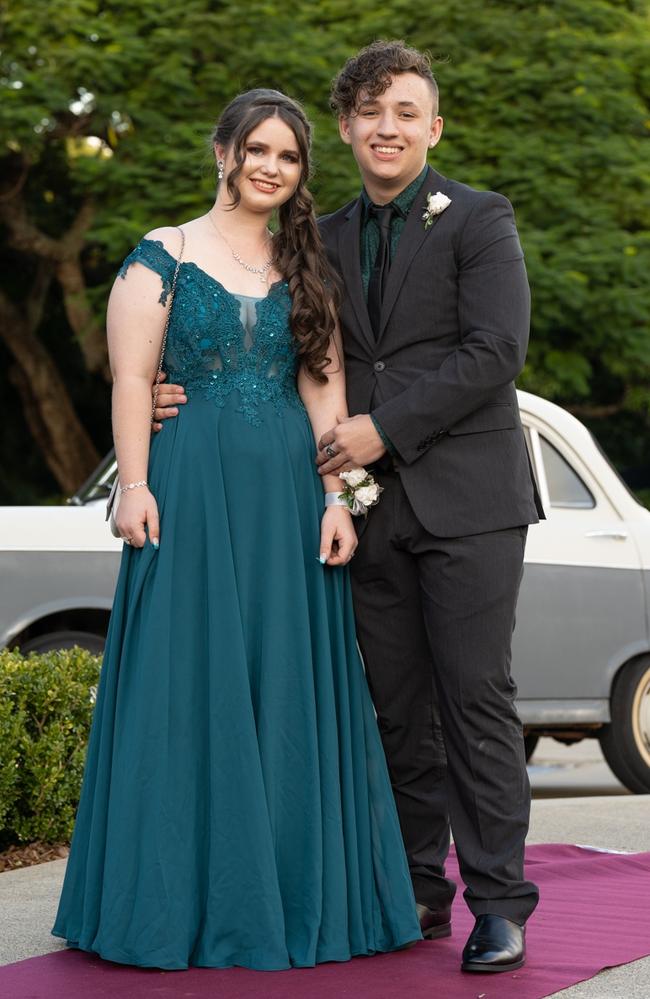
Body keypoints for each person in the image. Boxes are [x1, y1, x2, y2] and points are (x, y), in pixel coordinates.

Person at [156, 41, 545, 975]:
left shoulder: (480, 220)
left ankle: (499, 901)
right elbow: (241, 327)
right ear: (345, 126)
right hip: (357, 509)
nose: (388, 127)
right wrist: (169, 389)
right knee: (395, 706)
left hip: (469, 500)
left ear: (433, 127)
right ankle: (418, 885)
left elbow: (497, 351)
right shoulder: (312, 238)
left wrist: (381, 428)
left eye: (406, 111)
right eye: (370, 111)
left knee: (474, 699)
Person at [51, 88, 422, 971]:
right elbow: (131, 382)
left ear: (300, 173)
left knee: (289, 690)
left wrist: (338, 498)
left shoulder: (310, 264)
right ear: (223, 151)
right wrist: (132, 485)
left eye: (288, 156)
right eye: (257, 148)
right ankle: (171, 904)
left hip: (291, 503)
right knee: (188, 685)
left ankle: (297, 899)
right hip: (189, 492)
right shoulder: (163, 257)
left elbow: (324, 390)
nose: (271, 165)